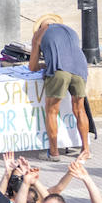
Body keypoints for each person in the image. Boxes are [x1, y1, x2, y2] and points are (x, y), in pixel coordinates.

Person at [27, 14, 91, 159]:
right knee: (80, 109)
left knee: (52, 111)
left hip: (60, 71)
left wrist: (42, 63)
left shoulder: (40, 34)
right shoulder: (71, 30)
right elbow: (69, 54)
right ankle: (86, 150)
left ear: (41, 26)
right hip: (80, 68)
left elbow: (32, 67)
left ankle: (54, 152)